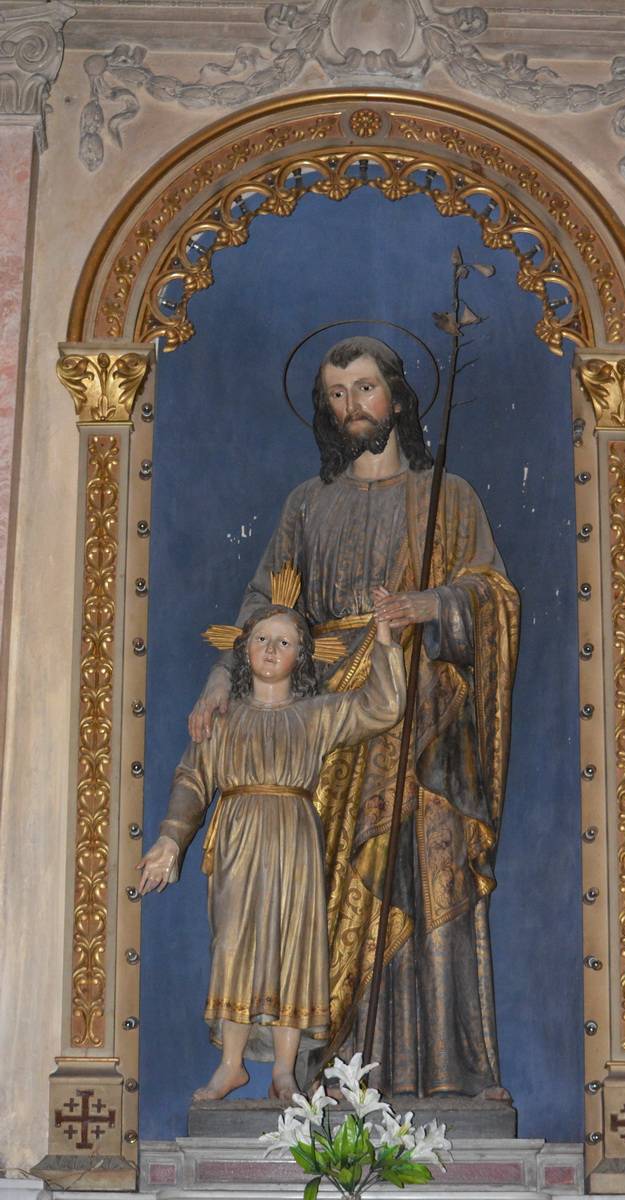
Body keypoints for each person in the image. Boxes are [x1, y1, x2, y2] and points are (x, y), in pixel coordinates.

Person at [189, 337, 519, 1099]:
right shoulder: (308, 504)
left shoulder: (448, 496)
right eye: (336, 395)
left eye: (364, 389)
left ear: (396, 397)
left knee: (428, 877)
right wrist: (217, 685)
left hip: (424, 725)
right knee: (326, 898)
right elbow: (262, 611)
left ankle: (447, 1071)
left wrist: (431, 605)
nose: (351, 408)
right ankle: (328, 1069)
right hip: (332, 728)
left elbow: (493, 595)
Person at [137, 591, 406, 1103]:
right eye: (261, 638)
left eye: (284, 642)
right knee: (233, 943)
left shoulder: (315, 715)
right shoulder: (221, 718)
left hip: (295, 835)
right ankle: (231, 1065)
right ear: (244, 649)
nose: (270, 648)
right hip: (238, 836)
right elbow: (192, 780)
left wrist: (386, 640)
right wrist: (171, 838)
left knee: (295, 944)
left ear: (301, 656)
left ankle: (285, 1071)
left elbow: (381, 707)